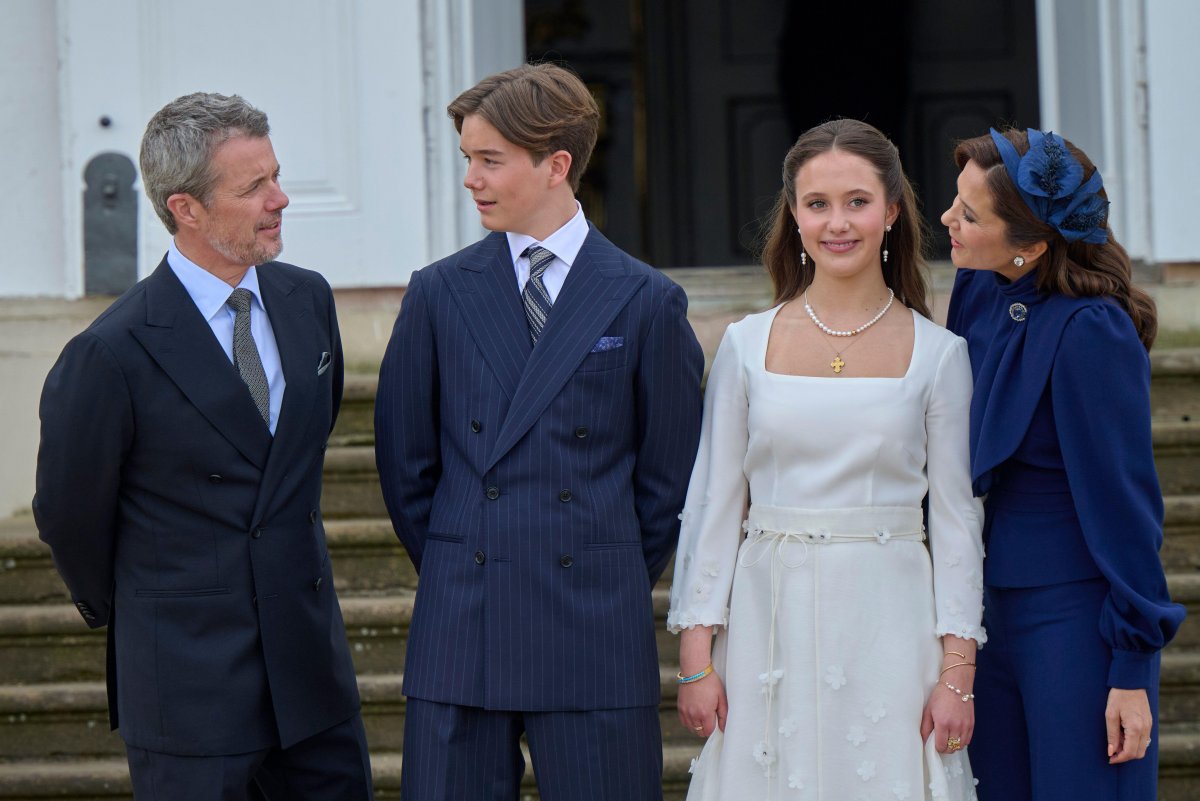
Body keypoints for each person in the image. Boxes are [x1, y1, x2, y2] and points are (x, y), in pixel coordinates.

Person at [374, 63, 704, 801]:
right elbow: (405, 465)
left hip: (593, 626)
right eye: (467, 159)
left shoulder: (647, 301)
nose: (471, 179)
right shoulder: (437, 293)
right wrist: (466, 561)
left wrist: (597, 562)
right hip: (463, 622)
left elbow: (668, 481)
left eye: (489, 160)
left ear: (556, 166)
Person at [33, 92, 371, 800]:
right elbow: (70, 515)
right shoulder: (109, 353)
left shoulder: (308, 300)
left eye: (276, 175)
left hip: (312, 679)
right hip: (187, 691)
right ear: (185, 208)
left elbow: (296, 458)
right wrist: (158, 608)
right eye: (254, 187)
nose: (281, 198)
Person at [669, 118, 985, 800]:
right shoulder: (745, 346)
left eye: (857, 201)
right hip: (766, 623)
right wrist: (697, 655)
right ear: (795, 214)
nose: (837, 222)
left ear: (892, 211)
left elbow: (959, 520)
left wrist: (956, 673)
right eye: (817, 204)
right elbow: (714, 503)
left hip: (889, 621)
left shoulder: (940, 355)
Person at [942, 128, 1186, 801]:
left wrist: (1132, 665)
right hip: (986, 610)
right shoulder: (978, 288)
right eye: (955, 203)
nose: (947, 221)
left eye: (969, 214)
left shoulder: (1091, 332)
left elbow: (1125, 505)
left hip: (1073, 619)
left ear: (1032, 241)